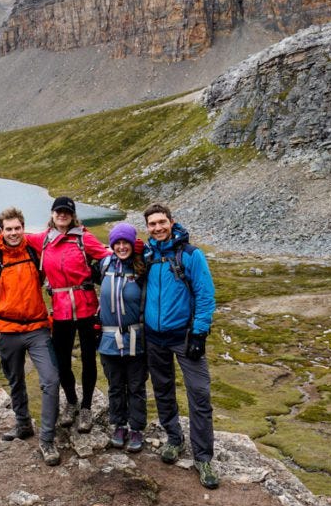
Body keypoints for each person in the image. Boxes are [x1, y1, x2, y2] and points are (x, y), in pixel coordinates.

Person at [142, 202, 219, 489]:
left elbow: (205, 294)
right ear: (147, 227)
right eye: (152, 224)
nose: (158, 227)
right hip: (154, 337)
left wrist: (199, 334)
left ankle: (203, 457)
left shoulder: (190, 254)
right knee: (162, 391)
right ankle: (174, 438)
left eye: (162, 222)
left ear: (172, 222)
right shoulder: (147, 255)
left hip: (184, 337)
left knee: (199, 394)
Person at [0, 207, 61, 466]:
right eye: (9, 229)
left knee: (50, 380)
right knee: (16, 381)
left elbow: (52, 276)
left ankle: (47, 440)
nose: (14, 233)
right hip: (8, 331)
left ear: (23, 228)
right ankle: (23, 424)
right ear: (1, 231)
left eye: (17, 228)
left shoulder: (34, 250)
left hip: (37, 329)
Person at [28, 196, 110, 433]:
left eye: (66, 212)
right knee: (62, 361)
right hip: (61, 311)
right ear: (52, 214)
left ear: (73, 215)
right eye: (58, 211)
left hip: (86, 308)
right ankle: (71, 402)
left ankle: (86, 408)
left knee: (88, 359)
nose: (62, 215)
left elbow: (109, 256)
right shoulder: (43, 239)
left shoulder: (84, 238)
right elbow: (17, 239)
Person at [97, 222, 148, 453]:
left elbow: (152, 251)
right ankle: (119, 425)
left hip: (137, 340)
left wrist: (141, 246)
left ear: (131, 243)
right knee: (115, 386)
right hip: (108, 341)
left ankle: (136, 428)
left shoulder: (142, 267)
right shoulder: (104, 264)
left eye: (125, 242)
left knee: (136, 387)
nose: (120, 246)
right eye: (116, 242)